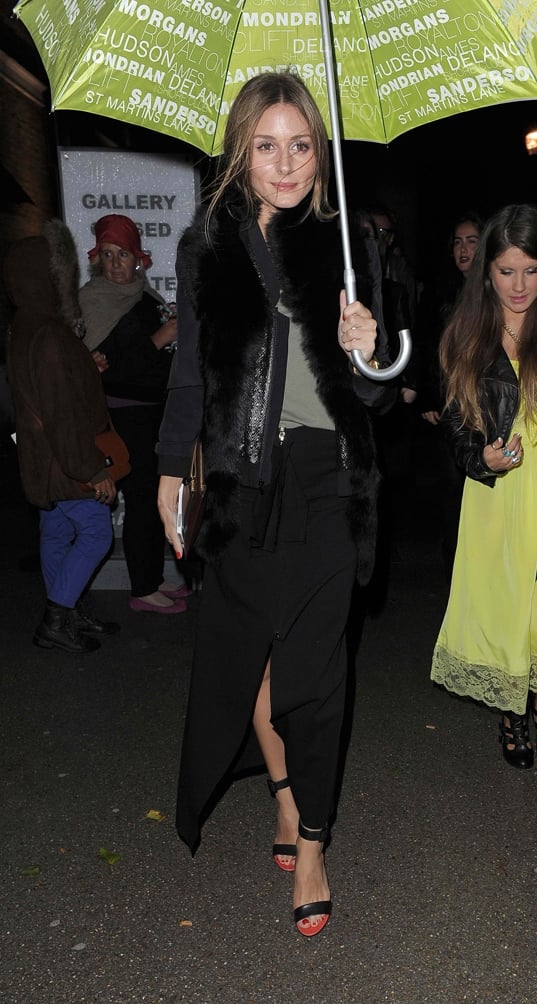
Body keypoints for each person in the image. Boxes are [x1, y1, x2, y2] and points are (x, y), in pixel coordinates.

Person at [156, 71, 396, 937]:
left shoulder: (344, 242)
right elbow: (192, 374)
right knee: (250, 662)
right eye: (267, 145)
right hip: (241, 482)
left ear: (318, 153)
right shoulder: (205, 246)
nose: (285, 163)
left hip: (330, 479)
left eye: (301, 145)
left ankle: (317, 841)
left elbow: (376, 398)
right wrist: (167, 470)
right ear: (240, 149)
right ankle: (288, 800)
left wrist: (370, 354)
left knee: (315, 677)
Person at [430, 203, 537, 771]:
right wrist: (479, 456)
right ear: (486, 271)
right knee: (505, 609)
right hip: (498, 491)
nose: (520, 284)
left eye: (532, 270)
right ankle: (512, 710)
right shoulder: (466, 332)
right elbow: (456, 428)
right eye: (507, 271)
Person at [4, 218, 119, 653]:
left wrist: (85, 366)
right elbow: (61, 411)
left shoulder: (23, 326)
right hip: (64, 459)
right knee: (96, 534)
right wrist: (91, 469)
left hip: (39, 459)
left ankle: (66, 611)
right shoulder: (48, 332)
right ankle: (57, 616)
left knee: (54, 534)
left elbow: (46, 389)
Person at [79, 214, 188, 613]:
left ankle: (154, 577)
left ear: (138, 258)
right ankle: (143, 589)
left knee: (154, 499)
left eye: (122, 254)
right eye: (106, 255)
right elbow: (107, 372)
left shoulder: (145, 296)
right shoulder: (93, 301)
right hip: (122, 418)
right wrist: (160, 339)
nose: (114, 264)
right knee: (141, 500)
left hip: (153, 415)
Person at [416, 212, 484, 579]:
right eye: (458, 242)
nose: (464, 249)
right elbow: (428, 344)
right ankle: (457, 570)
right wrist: (427, 395)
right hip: (452, 407)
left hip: (490, 407)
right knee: (454, 488)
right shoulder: (440, 291)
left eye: (472, 241)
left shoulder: (497, 289)